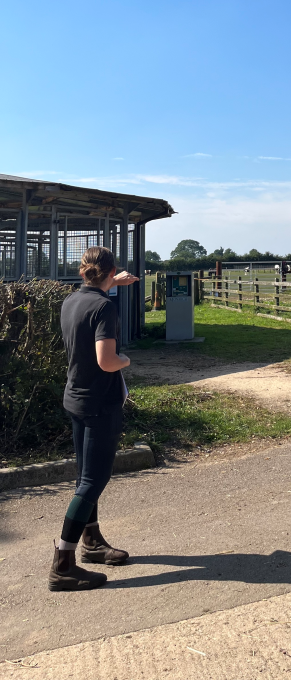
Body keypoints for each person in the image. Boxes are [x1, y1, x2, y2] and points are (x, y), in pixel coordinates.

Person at [49, 246, 138, 592]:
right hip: (100, 404)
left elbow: (95, 291)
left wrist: (113, 281)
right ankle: (63, 564)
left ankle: (92, 543)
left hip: (76, 398)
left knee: (85, 478)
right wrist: (126, 360)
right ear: (111, 270)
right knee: (92, 482)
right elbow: (107, 360)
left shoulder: (72, 301)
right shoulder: (105, 307)